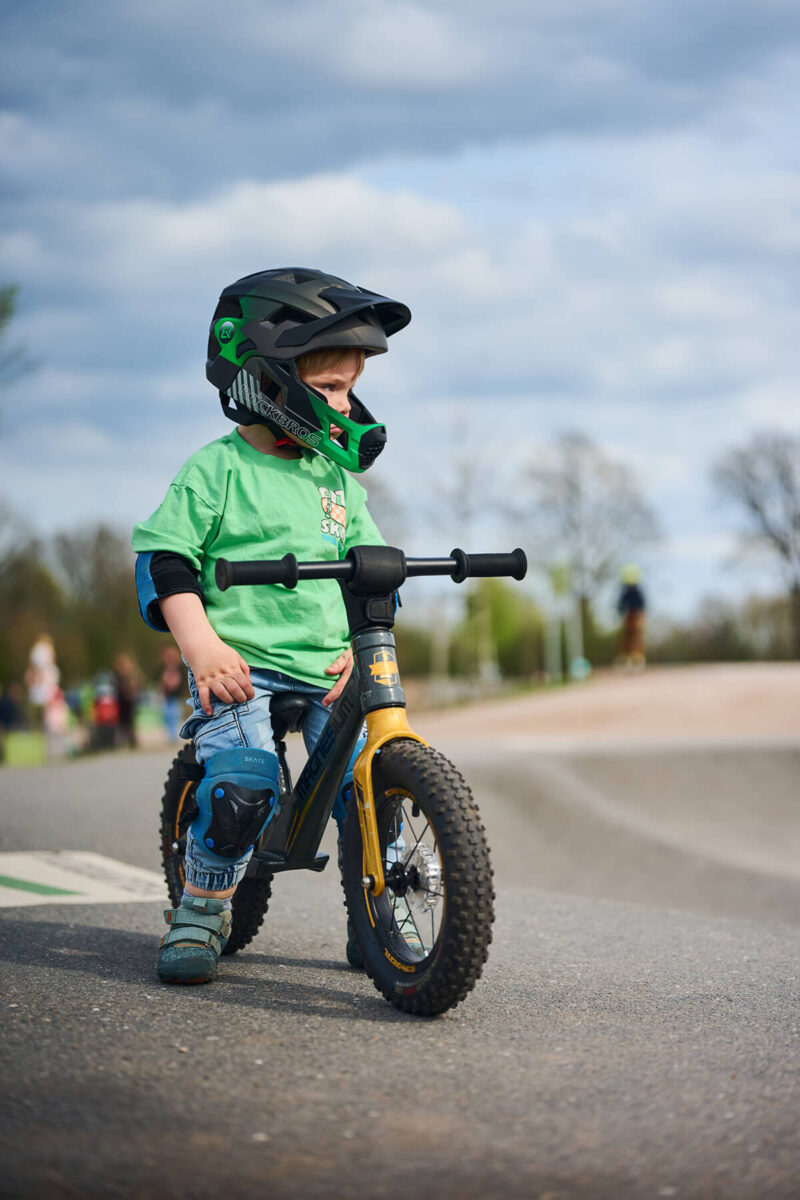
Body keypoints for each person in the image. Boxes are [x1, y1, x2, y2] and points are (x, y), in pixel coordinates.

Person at [132, 267, 410, 984]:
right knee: (244, 790)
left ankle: (375, 919)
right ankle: (201, 908)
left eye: (350, 389)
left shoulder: (336, 479)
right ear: (269, 379)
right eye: (330, 391)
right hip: (240, 668)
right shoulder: (216, 471)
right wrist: (203, 647)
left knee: (371, 786)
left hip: (325, 668)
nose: (345, 407)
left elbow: (370, 567)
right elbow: (164, 562)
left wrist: (360, 643)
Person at [616, 564, 647, 671]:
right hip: (628, 615)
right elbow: (620, 605)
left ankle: (637, 659)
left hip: (636, 614)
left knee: (636, 637)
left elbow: (642, 605)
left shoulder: (638, 591)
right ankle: (626, 659)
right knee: (627, 637)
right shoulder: (625, 591)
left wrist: (639, 616)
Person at [112, 652, 141, 749]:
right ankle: (125, 741)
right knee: (123, 722)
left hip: (129, 701)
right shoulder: (118, 676)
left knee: (129, 722)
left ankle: (131, 741)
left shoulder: (130, 675)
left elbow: (136, 687)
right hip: (121, 701)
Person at [159, 645, 186, 741]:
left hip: (175, 697)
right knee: (167, 716)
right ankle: (171, 735)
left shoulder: (178, 669)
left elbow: (175, 683)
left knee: (174, 716)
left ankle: (174, 736)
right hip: (167, 697)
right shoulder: (165, 669)